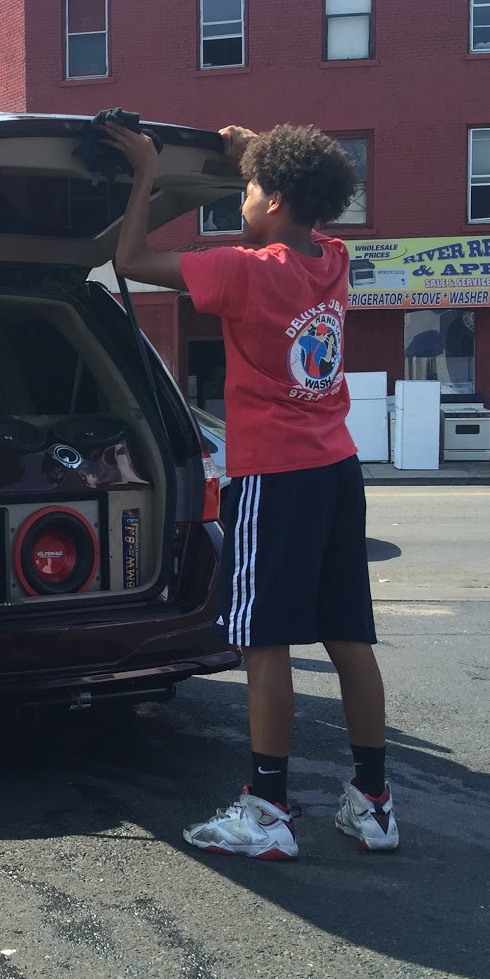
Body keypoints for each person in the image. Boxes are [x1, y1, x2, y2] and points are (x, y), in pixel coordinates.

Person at [105, 119, 398, 859]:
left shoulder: (245, 269)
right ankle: (374, 804)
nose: (242, 196)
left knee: (263, 643)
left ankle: (267, 811)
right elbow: (299, 192)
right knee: (350, 641)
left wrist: (144, 172)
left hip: (276, 475)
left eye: (249, 188)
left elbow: (131, 257)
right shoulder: (332, 259)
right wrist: (258, 155)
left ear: (274, 201)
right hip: (338, 469)